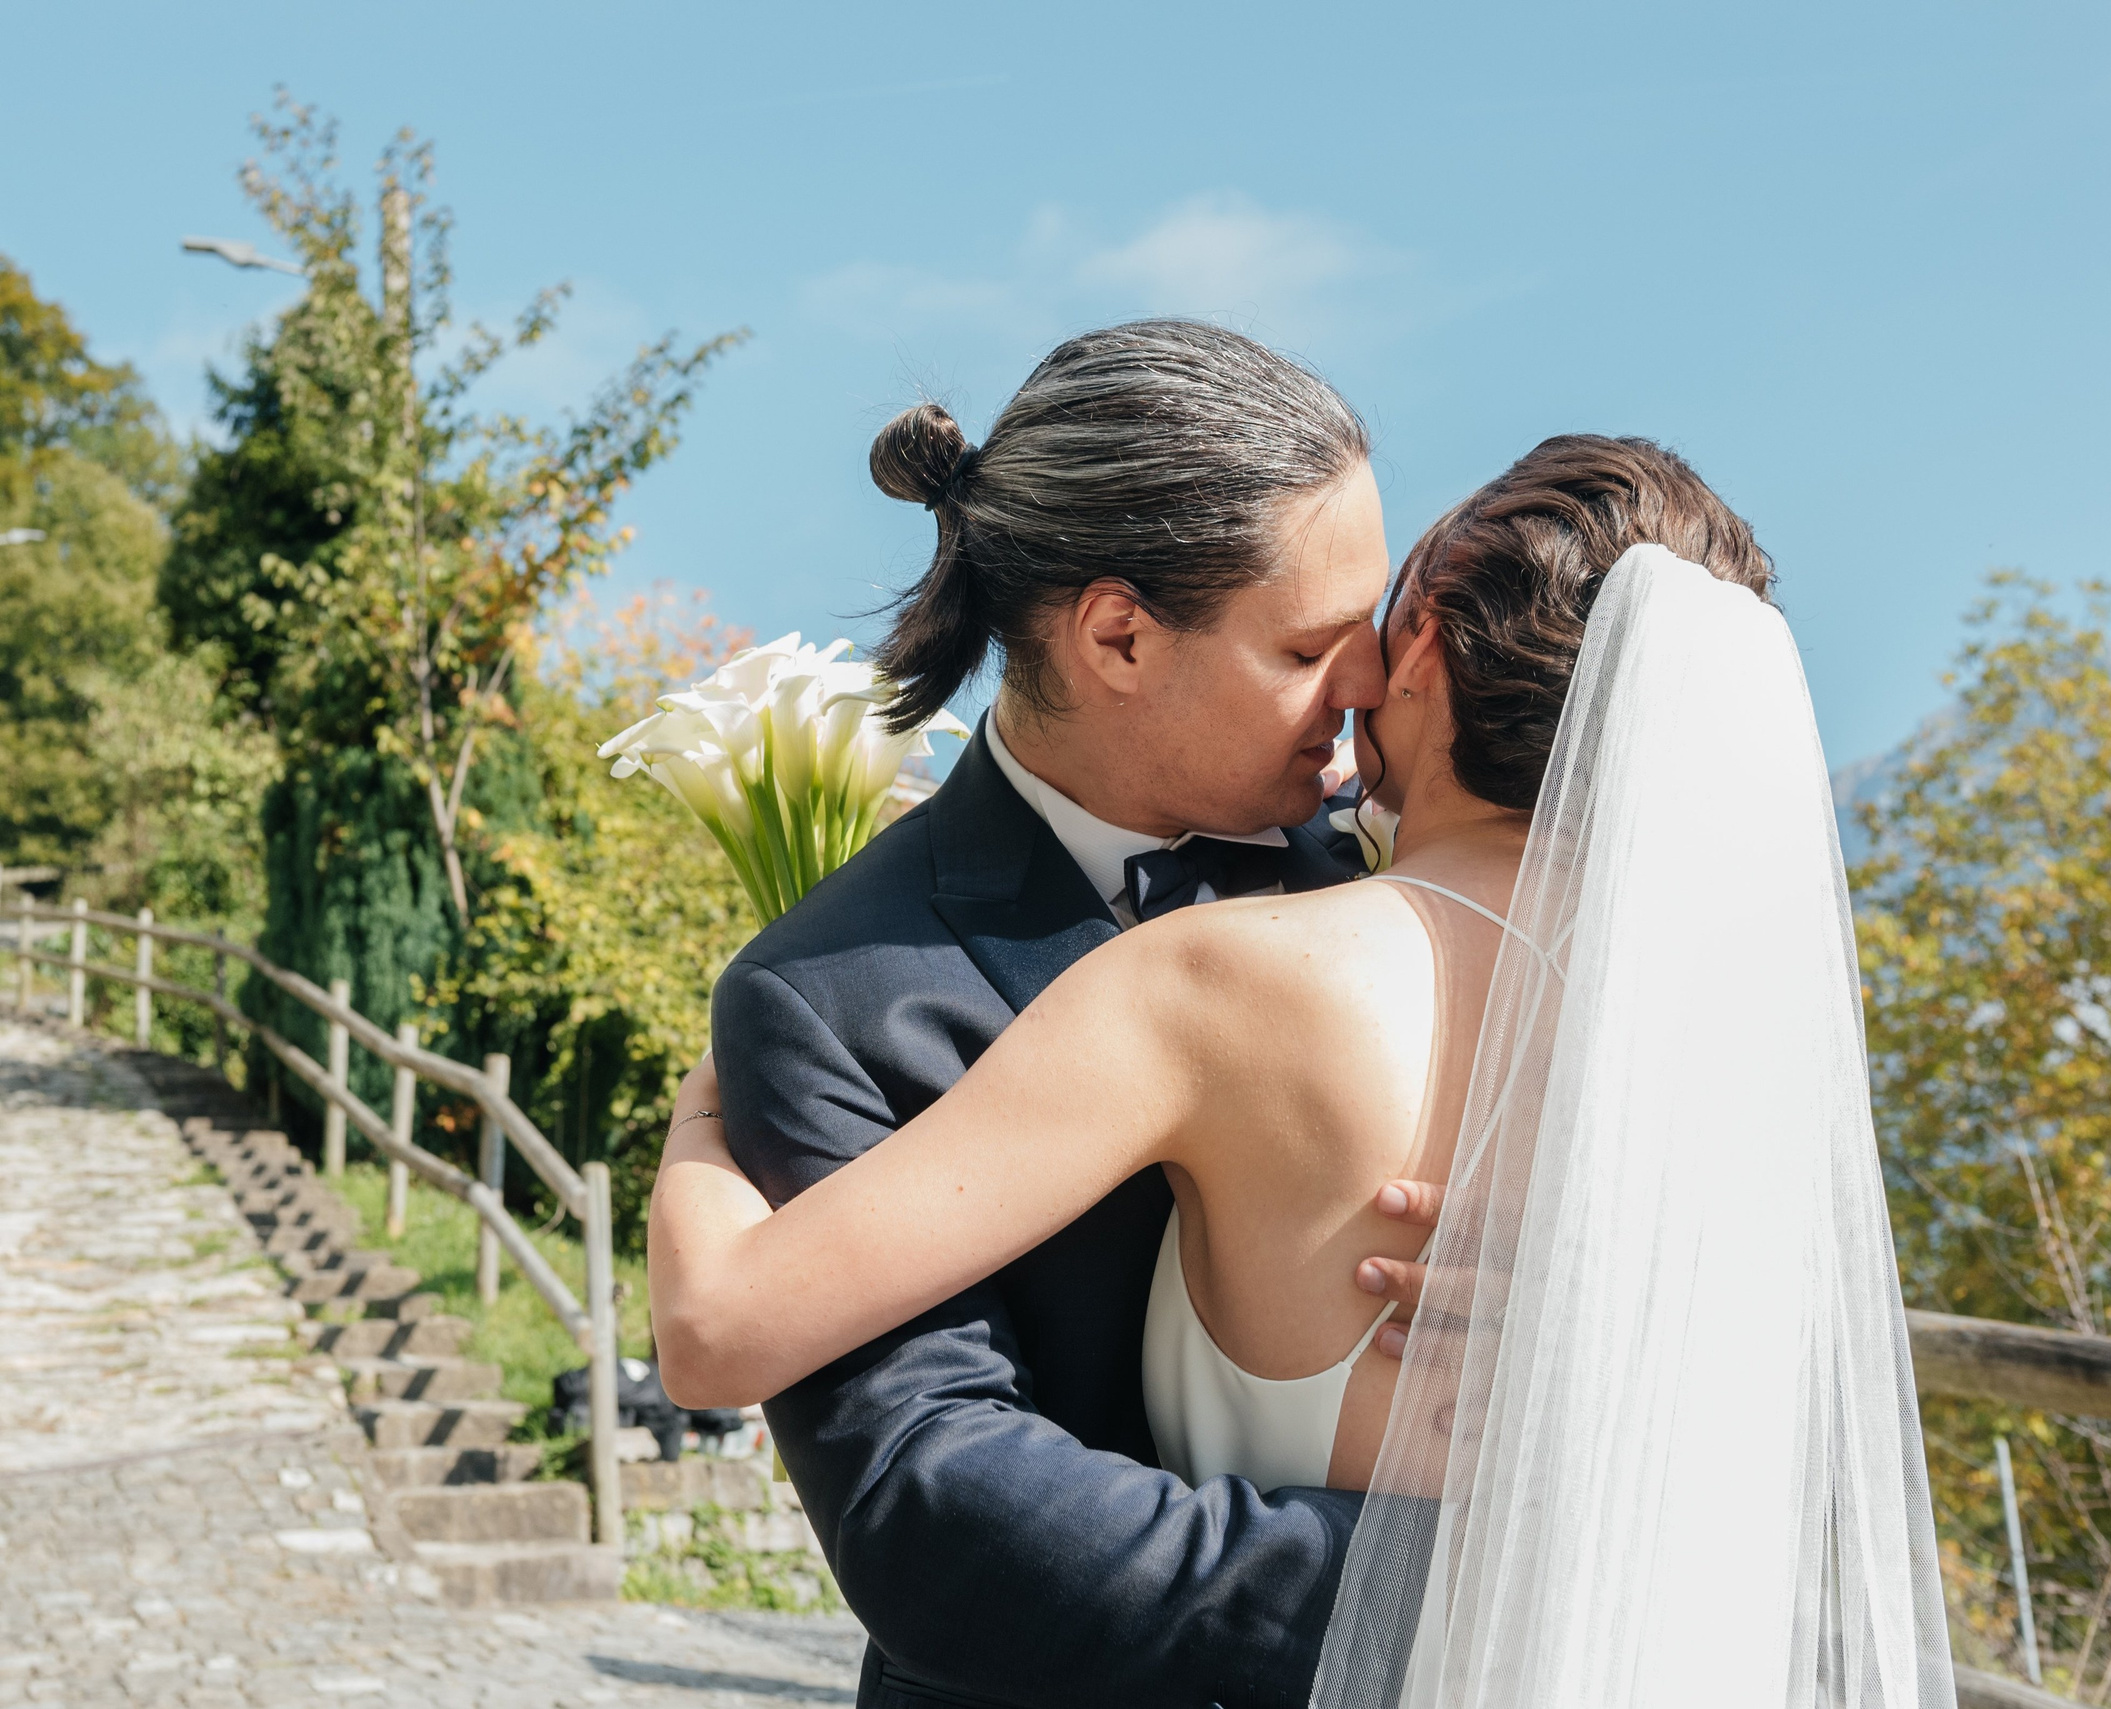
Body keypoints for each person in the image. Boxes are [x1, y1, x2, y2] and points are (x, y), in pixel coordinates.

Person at [657, 431, 1958, 1706]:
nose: (1345, 686)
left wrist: (701, 1128)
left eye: (1371, 630)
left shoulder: (1222, 979)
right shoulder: (1711, 1072)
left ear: (1432, 639)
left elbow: (719, 1330)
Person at [691, 319, 1414, 1709]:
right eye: (1312, 644)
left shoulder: (1389, 891)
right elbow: (936, 1512)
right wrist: (1440, 1574)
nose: (1371, 685)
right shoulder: (829, 997)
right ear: (1119, 636)